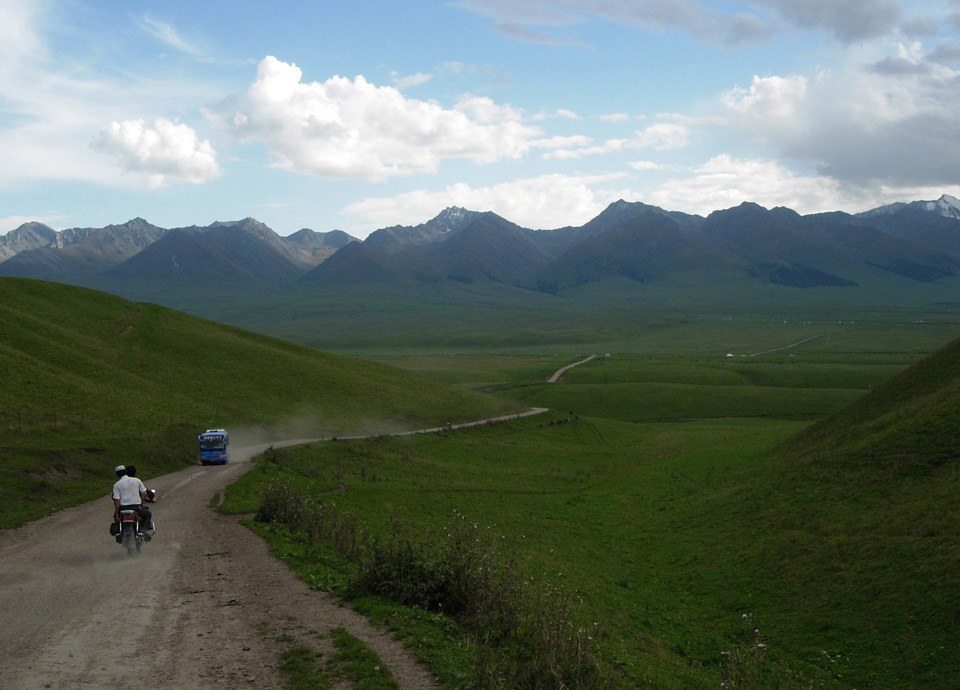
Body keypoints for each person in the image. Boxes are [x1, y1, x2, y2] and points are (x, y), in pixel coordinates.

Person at [112, 464, 154, 536]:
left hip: (123, 508)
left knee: (117, 519)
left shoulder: (117, 485)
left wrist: (116, 514)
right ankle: (142, 530)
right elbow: (144, 494)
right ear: (125, 472)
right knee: (148, 514)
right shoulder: (136, 480)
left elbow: (117, 501)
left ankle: (119, 532)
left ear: (117, 475)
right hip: (136, 507)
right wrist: (140, 502)